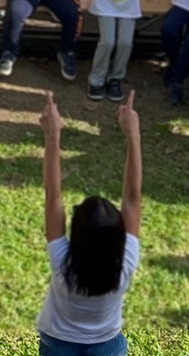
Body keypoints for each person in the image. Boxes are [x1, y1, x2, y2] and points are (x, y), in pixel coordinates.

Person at [36, 90, 142, 356]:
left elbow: (53, 195)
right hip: (106, 345)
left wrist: (53, 135)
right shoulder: (125, 264)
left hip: (57, 343)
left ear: (76, 235)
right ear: (120, 236)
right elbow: (132, 198)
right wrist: (133, 135)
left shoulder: (63, 264)